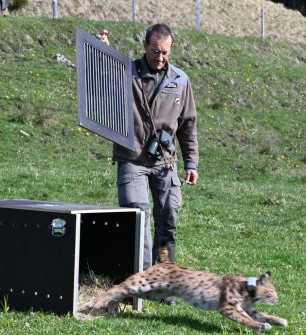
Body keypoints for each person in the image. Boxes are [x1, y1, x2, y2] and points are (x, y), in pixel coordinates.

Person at [111, 23, 199, 286]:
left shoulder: (180, 80)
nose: (160, 58)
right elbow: (99, 80)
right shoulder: (126, 73)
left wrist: (191, 162)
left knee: (169, 218)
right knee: (138, 218)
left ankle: (164, 282)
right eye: (154, 51)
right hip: (132, 158)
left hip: (165, 160)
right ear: (144, 46)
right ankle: (142, 283)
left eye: (165, 53)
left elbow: (189, 123)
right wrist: (101, 49)